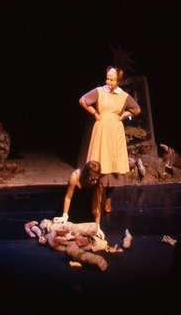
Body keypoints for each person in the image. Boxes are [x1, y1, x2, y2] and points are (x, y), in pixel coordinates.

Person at [78, 66, 141, 213]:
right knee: (100, 164)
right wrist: (94, 113)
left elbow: (136, 110)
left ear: (118, 81)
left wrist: (124, 115)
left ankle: (108, 199)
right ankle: (96, 198)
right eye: (107, 78)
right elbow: (83, 100)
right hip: (101, 130)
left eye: (112, 79)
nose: (108, 81)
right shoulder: (100, 91)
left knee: (113, 166)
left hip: (115, 132)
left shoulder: (123, 95)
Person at [53, 160, 105, 239]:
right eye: (92, 179)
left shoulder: (98, 183)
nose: (94, 181)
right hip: (73, 203)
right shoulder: (75, 176)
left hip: (86, 205)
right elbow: (68, 197)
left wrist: (97, 225)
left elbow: (96, 205)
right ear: (85, 174)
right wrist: (65, 215)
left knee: (87, 230)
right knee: (64, 229)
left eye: (96, 179)